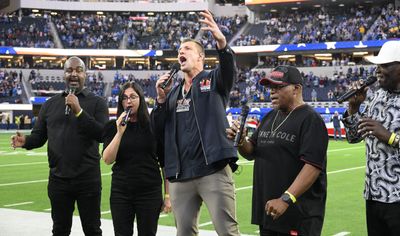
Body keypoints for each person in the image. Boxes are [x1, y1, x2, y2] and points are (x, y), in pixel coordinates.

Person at [152, 10, 240, 236]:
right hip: (181, 175)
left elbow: (228, 71)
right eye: (180, 51)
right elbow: (158, 130)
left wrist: (221, 43)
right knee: (184, 234)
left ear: (201, 57)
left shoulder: (213, 80)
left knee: (227, 232)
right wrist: (160, 101)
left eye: (187, 49)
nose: (181, 52)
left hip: (213, 170)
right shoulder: (172, 94)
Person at [11, 56, 109, 236]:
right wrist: (25, 141)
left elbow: (102, 134)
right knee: (59, 230)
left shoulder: (97, 103)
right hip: (58, 180)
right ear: (63, 74)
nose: (73, 74)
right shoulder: (50, 104)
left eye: (78, 70)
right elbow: (39, 137)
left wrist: (79, 111)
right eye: (69, 70)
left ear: (85, 75)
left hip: (87, 179)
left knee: (92, 230)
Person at [226, 65, 328, 236]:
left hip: (298, 215)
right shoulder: (270, 116)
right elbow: (251, 152)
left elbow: (313, 166)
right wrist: (241, 141)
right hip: (269, 211)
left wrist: (286, 199)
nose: (272, 92)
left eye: (278, 87)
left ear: (296, 89)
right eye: (270, 87)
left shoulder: (311, 119)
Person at [342, 40, 400, 236]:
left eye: (385, 65)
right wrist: (354, 108)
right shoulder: (377, 96)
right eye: (378, 65)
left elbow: (387, 137)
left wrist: (390, 137)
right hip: (374, 194)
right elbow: (353, 137)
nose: (378, 70)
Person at [102, 82, 171, 236]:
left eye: (133, 97)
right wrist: (119, 133)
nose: (129, 101)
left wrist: (167, 196)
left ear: (141, 99)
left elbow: (165, 163)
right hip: (121, 192)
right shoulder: (112, 127)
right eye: (125, 98)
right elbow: (107, 159)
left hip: (149, 192)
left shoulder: (152, 125)